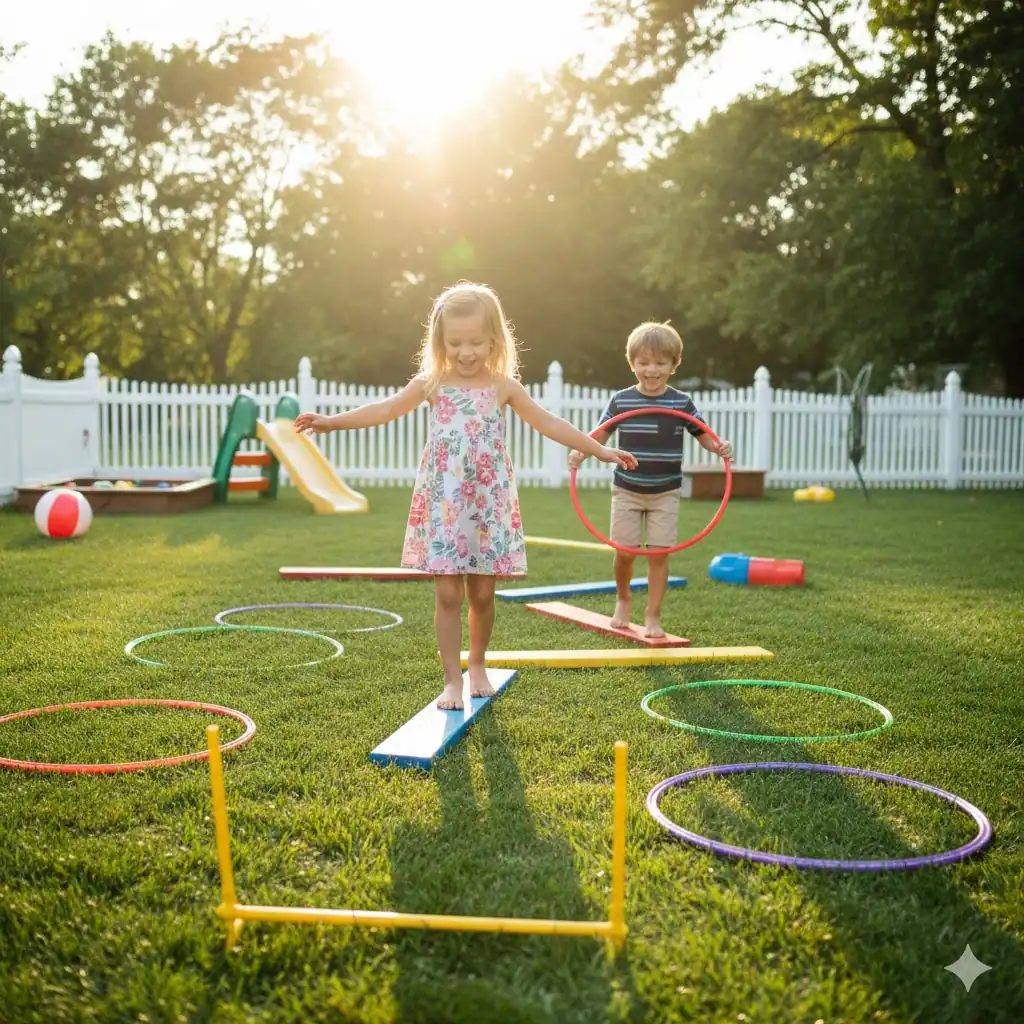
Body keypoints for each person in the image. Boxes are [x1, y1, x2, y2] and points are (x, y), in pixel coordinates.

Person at [294, 281, 637, 710]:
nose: (466, 352)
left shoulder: (503, 387)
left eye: (475, 341)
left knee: (482, 595)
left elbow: (549, 423)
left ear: (494, 339)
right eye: (455, 342)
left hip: (488, 504)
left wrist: (599, 450)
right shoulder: (432, 383)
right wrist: (331, 422)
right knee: (447, 596)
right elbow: (384, 409)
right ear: (440, 341)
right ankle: (451, 680)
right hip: (445, 503)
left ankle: (477, 664)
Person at [568, 321, 734, 638]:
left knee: (659, 555)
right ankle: (623, 600)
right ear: (632, 363)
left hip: (666, 492)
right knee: (625, 553)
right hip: (627, 490)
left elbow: (705, 436)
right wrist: (580, 453)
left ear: (674, 364)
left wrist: (720, 447)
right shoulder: (621, 401)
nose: (652, 370)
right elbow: (599, 436)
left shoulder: (681, 403)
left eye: (660, 363)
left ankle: (653, 615)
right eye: (644, 362)